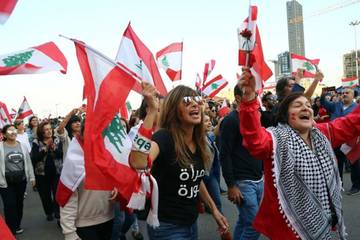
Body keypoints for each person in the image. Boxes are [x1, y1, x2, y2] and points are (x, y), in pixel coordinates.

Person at [238, 68, 360, 239]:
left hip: (324, 221)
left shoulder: (323, 133)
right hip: (288, 228)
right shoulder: (275, 139)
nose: (306, 108)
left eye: (308, 106)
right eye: (298, 105)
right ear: (286, 115)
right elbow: (254, 140)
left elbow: (352, 123)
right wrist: (250, 100)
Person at [129, 83, 229, 240]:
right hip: (166, 227)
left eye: (197, 100)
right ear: (174, 110)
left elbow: (195, 178)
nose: (195, 104)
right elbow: (138, 162)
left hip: (190, 223)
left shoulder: (198, 141)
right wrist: (152, 112)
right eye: (187, 101)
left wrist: (214, 210)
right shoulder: (164, 138)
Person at [58, 123, 116, 240]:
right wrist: (69, 233)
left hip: (108, 218)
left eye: (101, 132)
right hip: (85, 225)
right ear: (82, 133)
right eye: (92, 131)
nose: (97, 136)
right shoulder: (74, 161)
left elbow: (115, 177)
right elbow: (67, 198)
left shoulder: (109, 154)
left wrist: (116, 187)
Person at [219, 85, 263, 240]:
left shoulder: (256, 117)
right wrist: (231, 185)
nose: (254, 96)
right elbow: (224, 155)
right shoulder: (230, 121)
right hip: (243, 183)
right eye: (249, 94)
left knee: (245, 221)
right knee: (255, 224)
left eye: (255, 93)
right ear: (238, 98)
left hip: (258, 179)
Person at [0, 124, 35, 235]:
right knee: (9, 204)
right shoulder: (0, 146)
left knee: (19, 204)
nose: (13, 132)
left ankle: (17, 224)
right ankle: (11, 228)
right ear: (4, 134)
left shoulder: (23, 145)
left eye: (14, 130)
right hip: (5, 182)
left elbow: (28, 162)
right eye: (9, 131)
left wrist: (32, 177)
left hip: (21, 180)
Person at [31, 121, 63, 222]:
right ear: (41, 132)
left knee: (57, 194)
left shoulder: (57, 140)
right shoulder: (36, 142)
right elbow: (35, 158)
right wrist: (45, 148)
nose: (49, 131)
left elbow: (61, 154)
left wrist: (53, 148)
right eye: (46, 130)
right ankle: (49, 212)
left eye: (50, 129)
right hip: (42, 174)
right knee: (45, 196)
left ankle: (58, 213)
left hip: (56, 172)